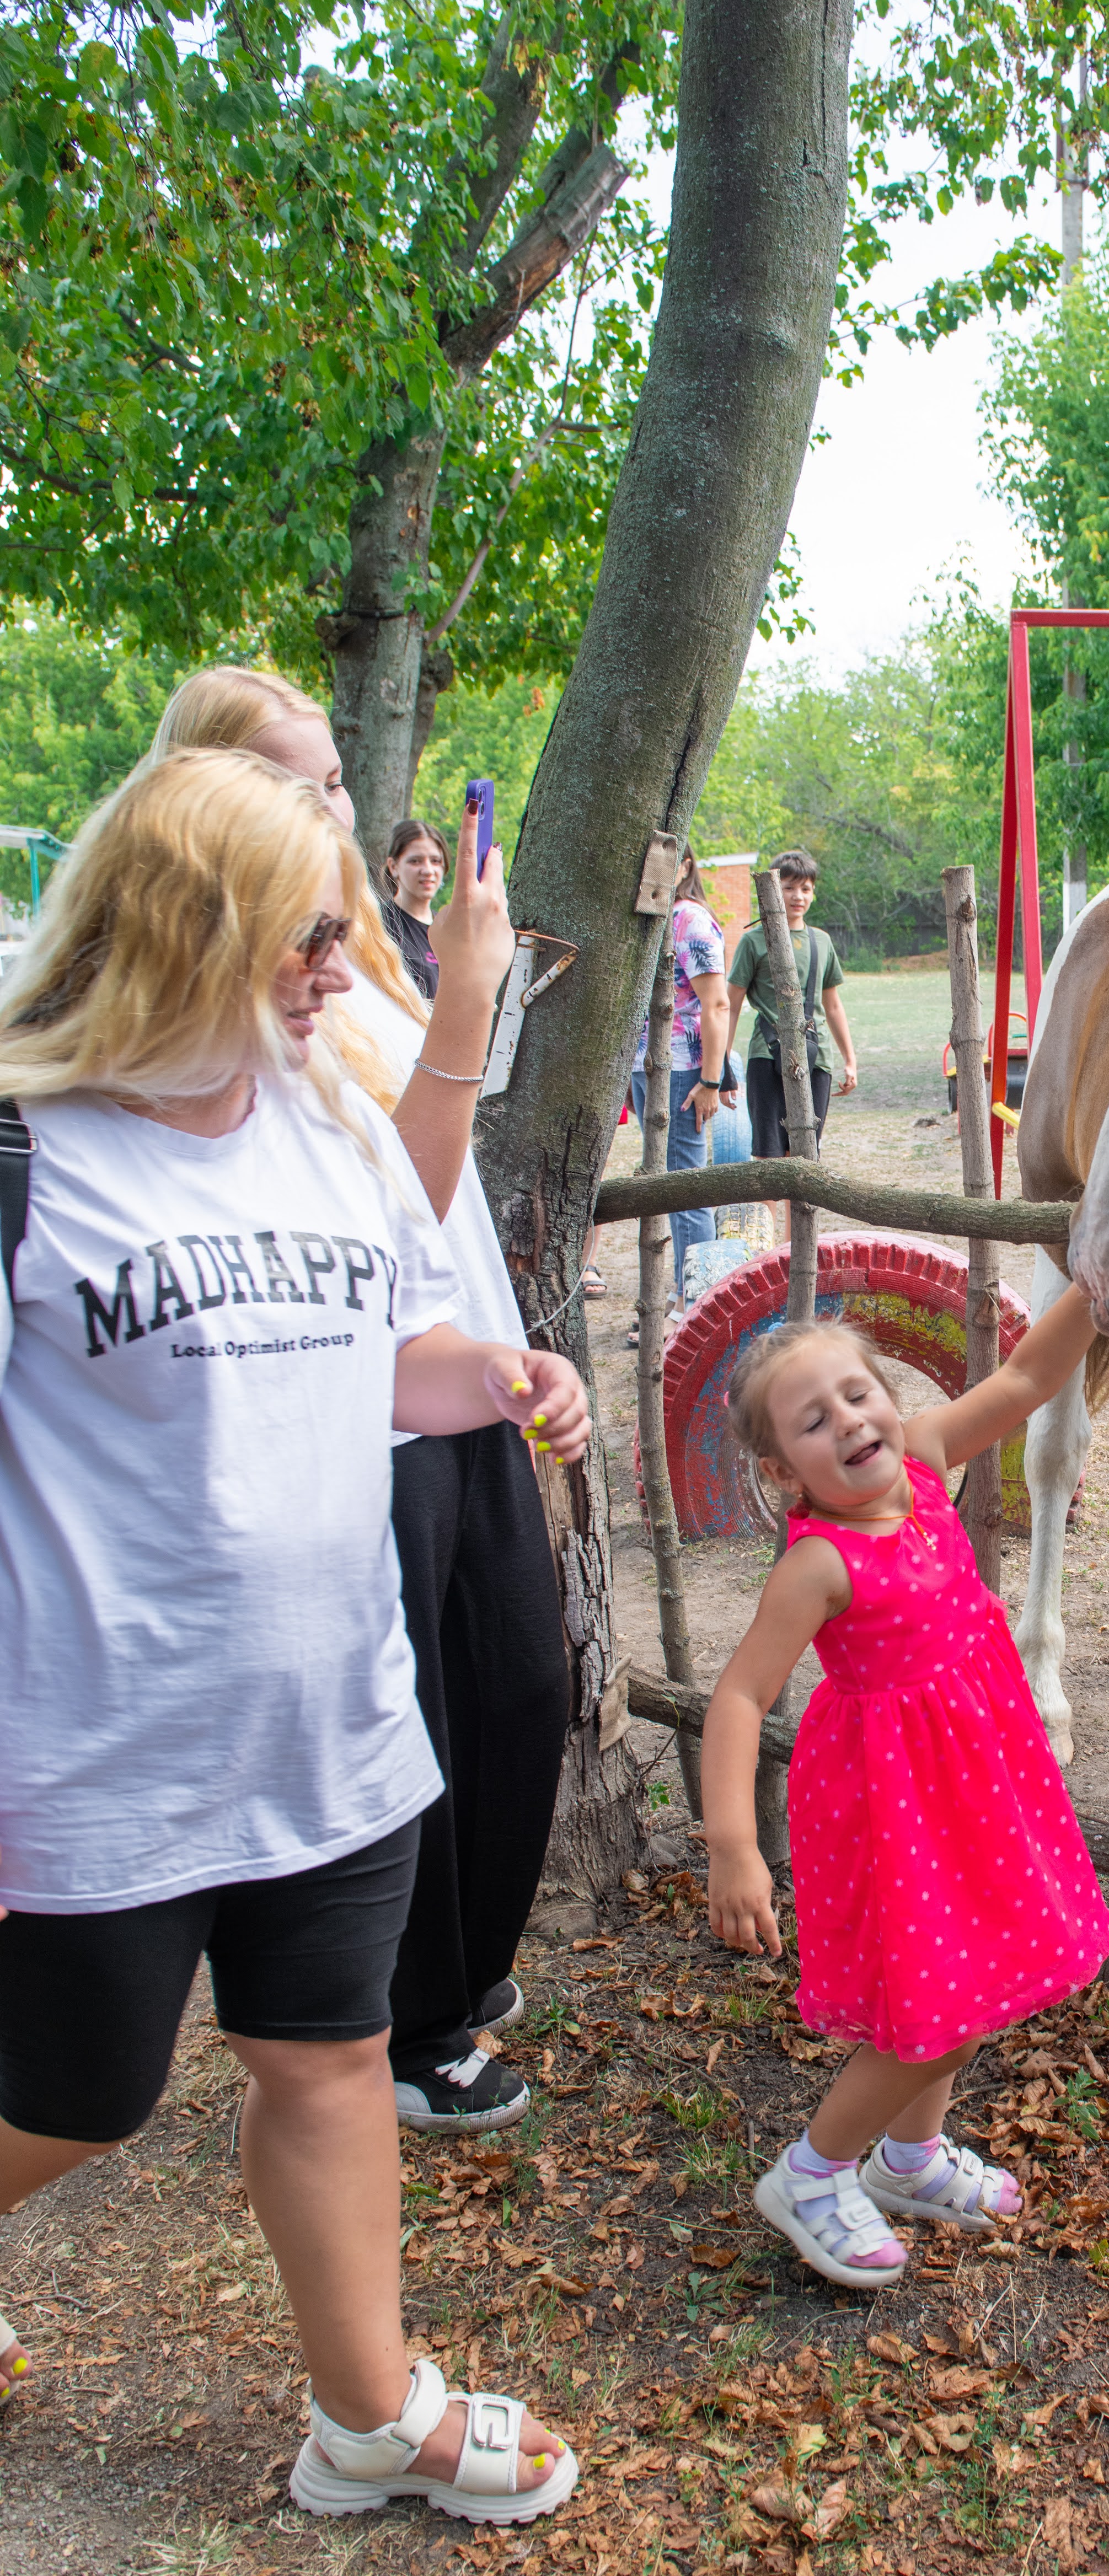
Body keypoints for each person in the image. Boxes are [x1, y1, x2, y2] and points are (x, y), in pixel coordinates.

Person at [0, 749, 583, 2521]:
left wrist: (496, 1374)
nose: (344, 968)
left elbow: (382, 1356)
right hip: (101, 1748)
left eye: (342, 932)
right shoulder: (31, 1150)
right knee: (81, 2097)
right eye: (308, 934)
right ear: (187, 922)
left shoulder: (329, 1124)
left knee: (327, 2060)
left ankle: (367, 2415)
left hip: (335, 1723)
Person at [150, 669, 566, 2137]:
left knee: (518, 1684)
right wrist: (469, 998)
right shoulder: (259, 974)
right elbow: (399, 1206)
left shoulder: (356, 945)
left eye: (334, 777)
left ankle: (461, 1966)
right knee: (424, 1714)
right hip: (360, 1399)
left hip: (455, 1363)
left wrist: (464, 989)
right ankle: (413, 2024)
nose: (333, 803)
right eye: (299, 781)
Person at [699, 1287, 1109, 2288]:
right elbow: (741, 1696)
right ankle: (812, 2171)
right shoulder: (818, 1564)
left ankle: (911, 2158)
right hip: (895, 1808)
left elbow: (1026, 1376)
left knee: (963, 1979)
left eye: (858, 1393)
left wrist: (1097, 1285)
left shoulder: (926, 1458)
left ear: (889, 1398)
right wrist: (734, 1847)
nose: (849, 1421)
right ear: (780, 1470)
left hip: (979, 1786)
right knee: (939, 2006)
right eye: (813, 1420)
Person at [597, 849, 732, 1328]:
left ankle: (696, 1308)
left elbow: (716, 1005)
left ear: (686, 866)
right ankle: (683, 1292)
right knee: (670, 1183)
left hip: (680, 1068)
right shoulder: (654, 918)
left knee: (685, 1186)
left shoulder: (689, 919)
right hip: (646, 1065)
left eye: (669, 859)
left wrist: (711, 1080)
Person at [725, 852, 858, 1243]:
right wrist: (722, 1065)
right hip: (766, 1057)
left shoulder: (822, 942)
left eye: (806, 889)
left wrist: (850, 1059)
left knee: (804, 1157)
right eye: (789, 887)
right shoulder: (753, 941)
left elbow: (833, 1005)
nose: (798, 896)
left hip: (818, 1058)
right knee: (768, 1158)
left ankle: (795, 1249)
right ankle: (767, 1251)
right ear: (773, 890)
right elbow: (731, 1004)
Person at [381, 818, 451, 1000]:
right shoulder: (379, 924)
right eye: (415, 861)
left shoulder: (449, 931)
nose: (428, 870)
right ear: (394, 867)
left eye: (435, 861)